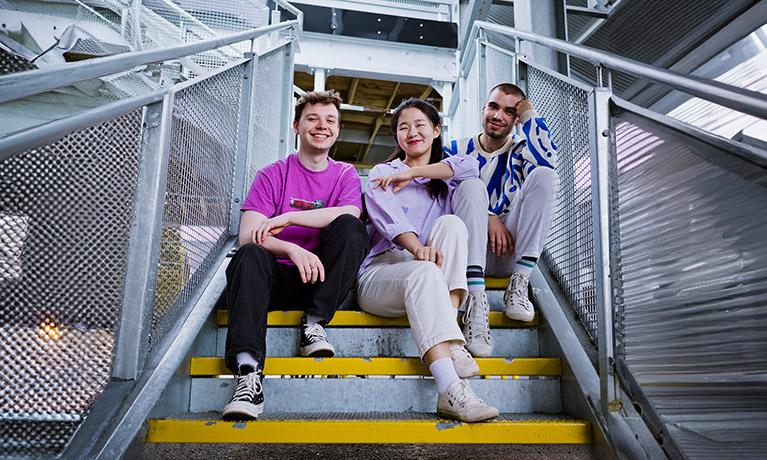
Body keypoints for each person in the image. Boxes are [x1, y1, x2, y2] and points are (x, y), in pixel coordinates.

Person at [221, 90, 369, 420]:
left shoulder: (344, 174)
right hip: (272, 279)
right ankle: (248, 375)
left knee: (351, 228)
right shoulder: (272, 174)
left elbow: (349, 214)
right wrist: (291, 247)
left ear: (338, 129)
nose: (322, 126)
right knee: (249, 255)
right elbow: (249, 234)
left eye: (330, 120)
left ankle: (314, 324)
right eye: (313, 119)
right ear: (296, 126)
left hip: (320, 282)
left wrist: (288, 218)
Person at [357, 97, 499, 423]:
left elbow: (471, 167)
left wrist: (416, 172)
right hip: (383, 274)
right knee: (422, 271)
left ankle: (449, 335)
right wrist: (417, 248)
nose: (412, 133)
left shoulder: (444, 179)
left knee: (451, 224)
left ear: (436, 130)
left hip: (430, 274)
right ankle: (450, 388)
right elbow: (389, 220)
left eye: (420, 125)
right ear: (396, 137)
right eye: (403, 127)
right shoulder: (382, 173)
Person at [444, 83, 559, 358]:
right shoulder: (455, 149)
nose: (498, 116)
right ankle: (474, 300)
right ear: (483, 108)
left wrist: (530, 115)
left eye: (509, 112)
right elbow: (441, 198)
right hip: (467, 254)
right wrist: (488, 216)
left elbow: (548, 161)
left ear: (516, 120)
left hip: (509, 252)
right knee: (470, 187)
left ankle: (520, 282)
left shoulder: (521, 150)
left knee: (545, 176)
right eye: (494, 107)